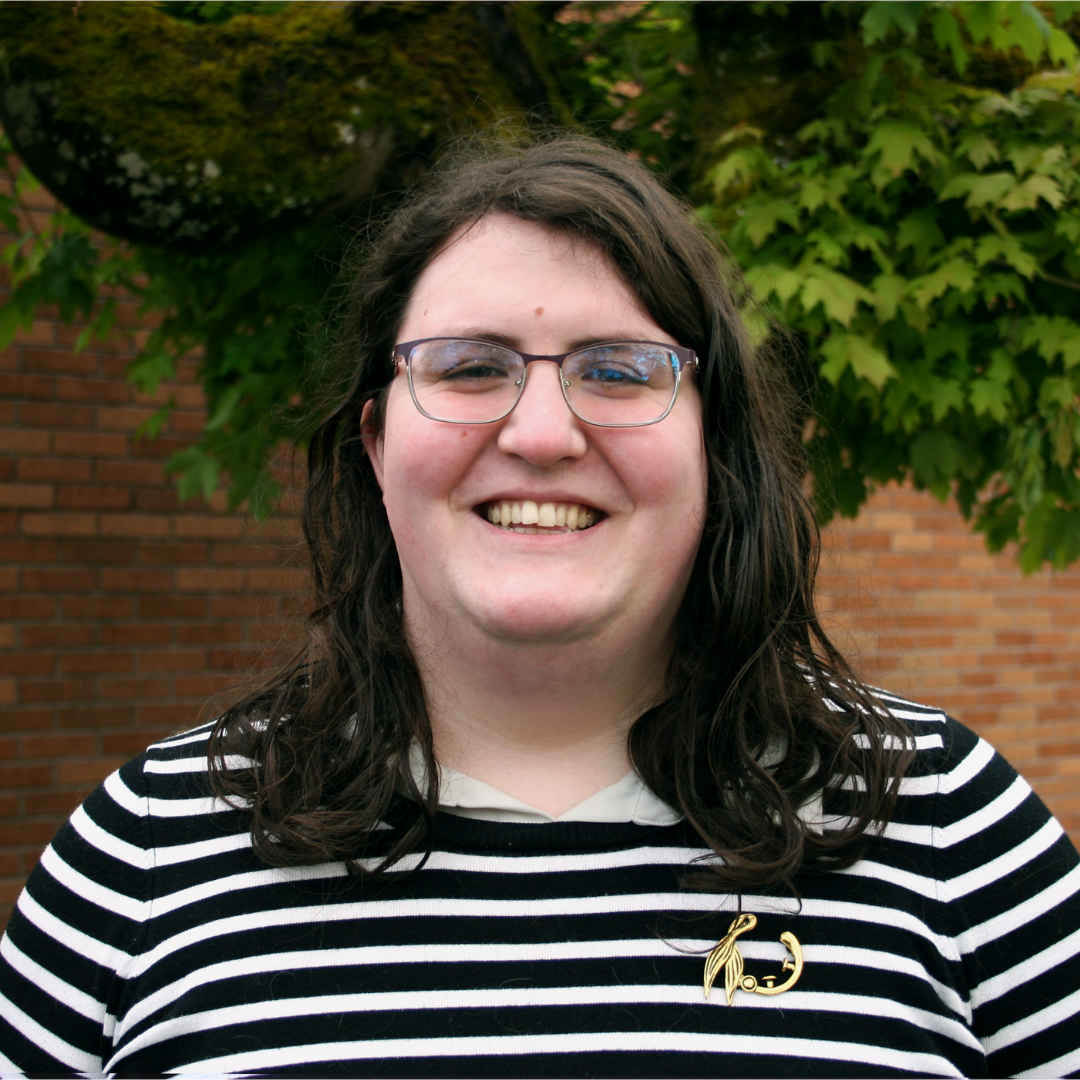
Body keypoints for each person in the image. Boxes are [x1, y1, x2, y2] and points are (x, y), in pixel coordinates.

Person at [1, 133, 1078, 1080]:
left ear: (714, 448)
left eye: (620, 371)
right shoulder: (145, 854)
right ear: (376, 443)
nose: (543, 434)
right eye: (470, 367)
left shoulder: (944, 823)